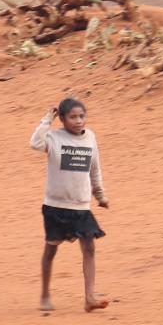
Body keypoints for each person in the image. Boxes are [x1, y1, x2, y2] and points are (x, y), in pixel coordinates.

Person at [31, 97, 111, 313]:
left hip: (81, 205)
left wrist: (100, 194)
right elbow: (35, 143)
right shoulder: (53, 137)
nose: (78, 121)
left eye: (81, 116)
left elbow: (95, 168)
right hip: (56, 206)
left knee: (89, 248)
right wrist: (47, 119)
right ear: (63, 119)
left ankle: (89, 297)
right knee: (51, 248)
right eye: (72, 117)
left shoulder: (90, 138)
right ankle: (45, 294)